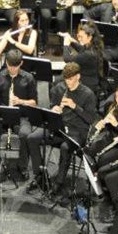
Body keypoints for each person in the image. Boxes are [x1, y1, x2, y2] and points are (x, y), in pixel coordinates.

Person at [26, 62, 98, 193]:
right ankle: (40, 175)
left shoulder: (88, 94)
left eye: (70, 79)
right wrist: (54, 108)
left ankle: (58, 183)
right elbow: (52, 105)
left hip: (77, 131)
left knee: (66, 148)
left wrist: (74, 106)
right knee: (32, 138)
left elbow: (91, 119)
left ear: (78, 77)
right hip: (58, 126)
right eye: (66, 79)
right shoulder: (58, 89)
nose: (68, 82)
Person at [0, 48, 39, 176]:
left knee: (25, 135)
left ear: (21, 63)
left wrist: (21, 101)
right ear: (6, 62)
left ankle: (22, 167)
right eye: (10, 66)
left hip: (22, 116)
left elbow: (34, 102)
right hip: (3, 116)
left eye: (15, 66)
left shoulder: (29, 78)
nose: (12, 69)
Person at [61, 20, 106, 98]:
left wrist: (65, 45)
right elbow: (81, 48)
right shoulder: (93, 46)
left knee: (57, 84)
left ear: (89, 37)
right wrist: (71, 40)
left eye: (81, 37)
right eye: (78, 36)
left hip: (87, 83)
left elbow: (67, 59)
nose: (79, 39)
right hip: (88, 78)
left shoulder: (89, 54)